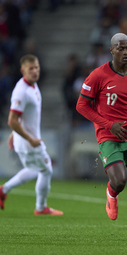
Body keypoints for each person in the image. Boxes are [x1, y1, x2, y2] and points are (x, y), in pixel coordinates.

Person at [76, 33, 127, 237]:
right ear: (111, 50)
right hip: (109, 135)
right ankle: (111, 193)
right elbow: (81, 106)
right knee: (120, 181)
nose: (125, 52)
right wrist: (108, 125)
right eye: (121, 48)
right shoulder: (98, 75)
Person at [0, 54, 63, 216]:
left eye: (36, 68)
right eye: (31, 69)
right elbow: (12, 120)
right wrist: (29, 139)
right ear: (23, 70)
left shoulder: (32, 86)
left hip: (24, 139)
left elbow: (20, 117)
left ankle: (3, 190)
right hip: (29, 142)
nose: (35, 71)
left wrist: (15, 134)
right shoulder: (21, 91)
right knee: (46, 169)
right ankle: (41, 208)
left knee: (34, 169)